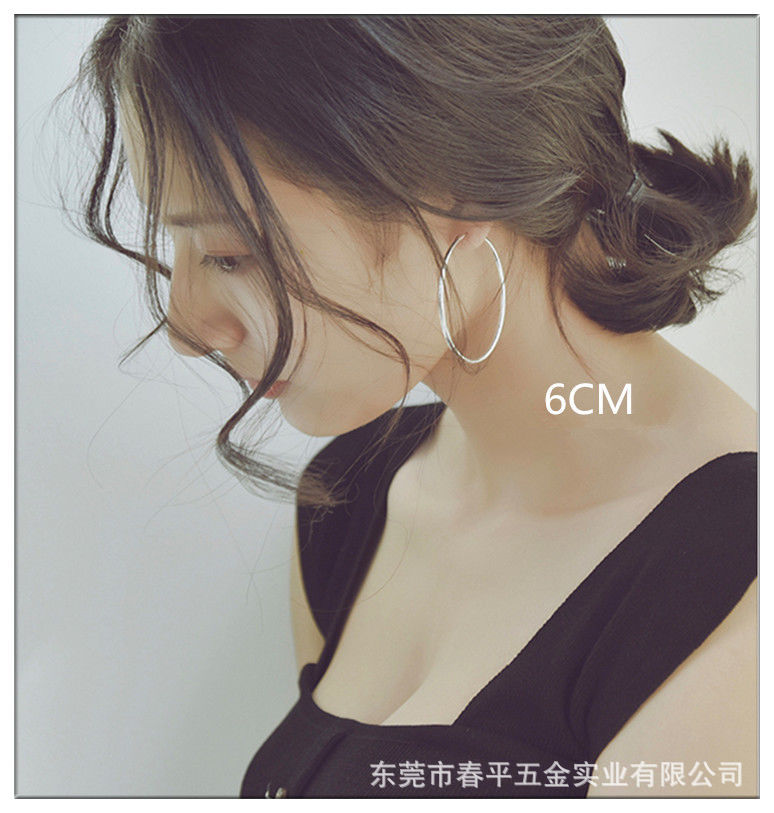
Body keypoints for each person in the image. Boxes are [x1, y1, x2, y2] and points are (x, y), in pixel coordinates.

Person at [67, 15, 757, 798]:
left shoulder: (736, 582)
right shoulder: (350, 500)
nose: (188, 327)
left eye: (230, 254)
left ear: (458, 191)